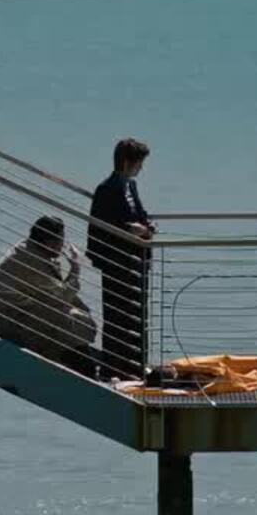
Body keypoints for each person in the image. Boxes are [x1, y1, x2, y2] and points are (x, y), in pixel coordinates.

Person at [0, 215, 99, 375]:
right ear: (49, 243)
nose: (63, 246)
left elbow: (56, 294)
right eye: (61, 241)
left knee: (70, 315)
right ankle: (86, 370)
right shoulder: (31, 260)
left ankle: (83, 366)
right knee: (66, 319)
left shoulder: (31, 249)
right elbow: (61, 296)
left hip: (18, 313)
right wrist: (75, 268)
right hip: (3, 322)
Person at [89, 138, 155, 379]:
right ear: (127, 162)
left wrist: (148, 226)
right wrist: (129, 230)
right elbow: (102, 225)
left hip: (136, 261)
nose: (141, 168)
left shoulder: (131, 186)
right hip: (117, 262)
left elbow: (139, 213)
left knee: (137, 315)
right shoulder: (106, 189)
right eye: (139, 163)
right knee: (118, 314)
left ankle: (136, 365)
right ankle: (115, 366)